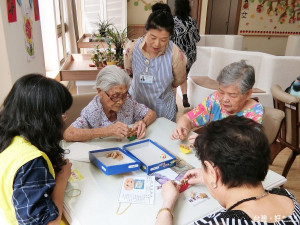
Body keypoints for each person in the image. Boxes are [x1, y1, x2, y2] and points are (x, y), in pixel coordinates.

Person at [157, 116, 300, 225]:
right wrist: (209, 176)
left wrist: (167, 204)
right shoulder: (286, 196)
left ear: (214, 173)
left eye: (205, 169)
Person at [0, 74, 73, 224]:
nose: (64, 118)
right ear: (42, 118)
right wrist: (61, 180)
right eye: (61, 113)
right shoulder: (31, 163)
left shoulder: (9, 139)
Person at [171, 60, 264, 142]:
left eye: (232, 95)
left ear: (248, 94)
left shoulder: (254, 113)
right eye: (221, 92)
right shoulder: (214, 100)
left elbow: (240, 146)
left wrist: (206, 142)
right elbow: (188, 118)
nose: (224, 99)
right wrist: (182, 129)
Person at [124, 3, 187, 122]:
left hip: (163, 109)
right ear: (146, 31)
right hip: (137, 106)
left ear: (169, 37)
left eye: (164, 40)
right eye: (153, 37)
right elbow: (129, 72)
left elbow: (179, 79)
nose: (157, 44)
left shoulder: (176, 53)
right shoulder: (132, 48)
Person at [63, 65, 156, 142]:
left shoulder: (127, 102)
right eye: (115, 96)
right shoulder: (93, 110)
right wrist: (107, 131)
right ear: (100, 92)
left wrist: (143, 122)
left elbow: (151, 113)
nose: (120, 101)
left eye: (124, 94)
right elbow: (68, 134)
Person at [172, 0, 201, 108]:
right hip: (190, 54)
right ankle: (185, 97)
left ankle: (174, 103)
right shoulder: (191, 21)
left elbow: (169, 38)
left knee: (174, 77)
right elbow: (197, 38)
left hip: (177, 55)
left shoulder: (172, 20)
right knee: (184, 75)